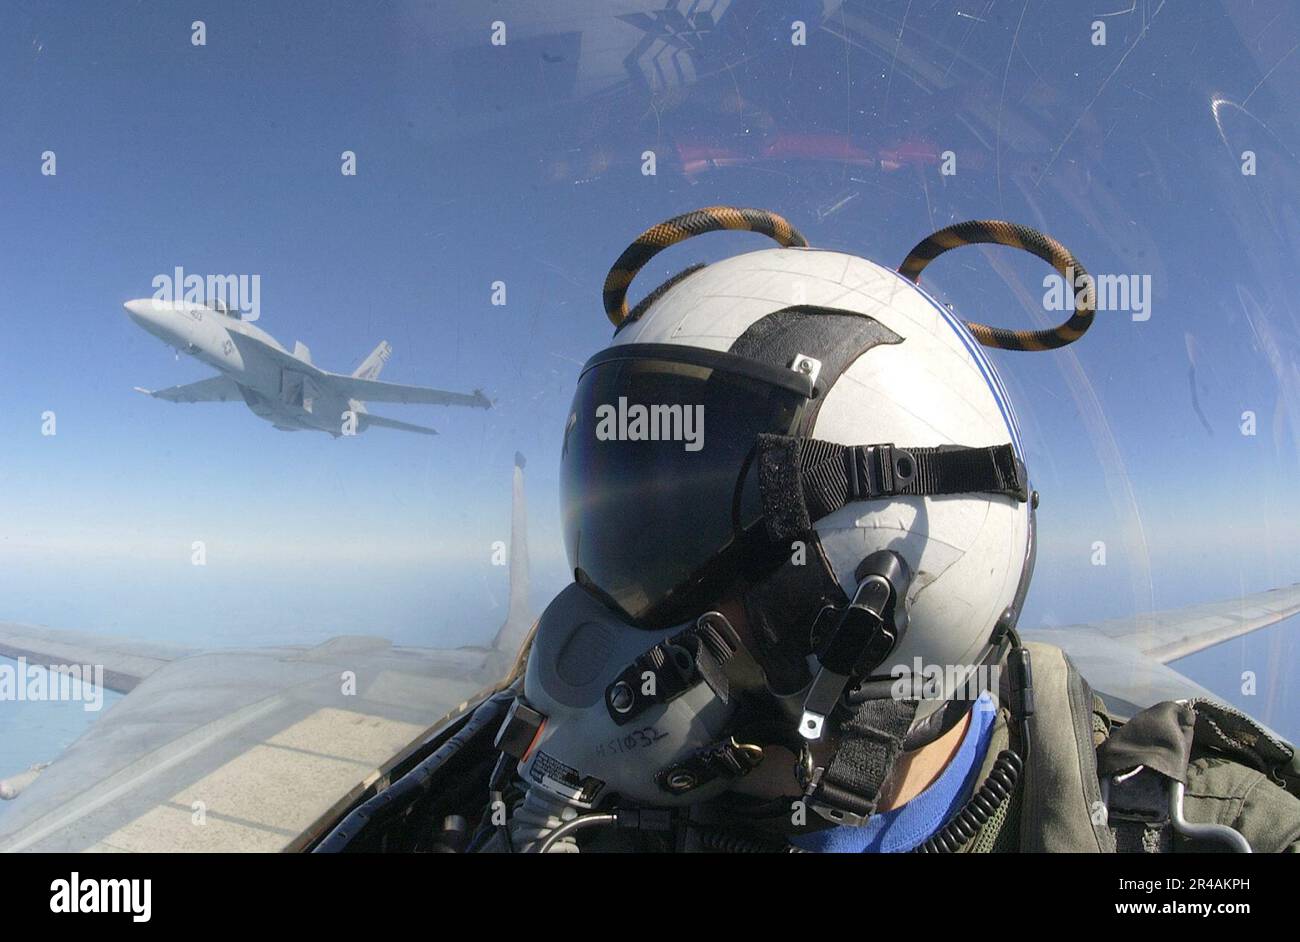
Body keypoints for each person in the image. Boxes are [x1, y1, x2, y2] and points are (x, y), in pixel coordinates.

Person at [492, 206, 1300, 853]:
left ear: (861, 609)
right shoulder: (513, 790)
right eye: (612, 530)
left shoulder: (1204, 836)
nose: (600, 615)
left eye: (662, 546)